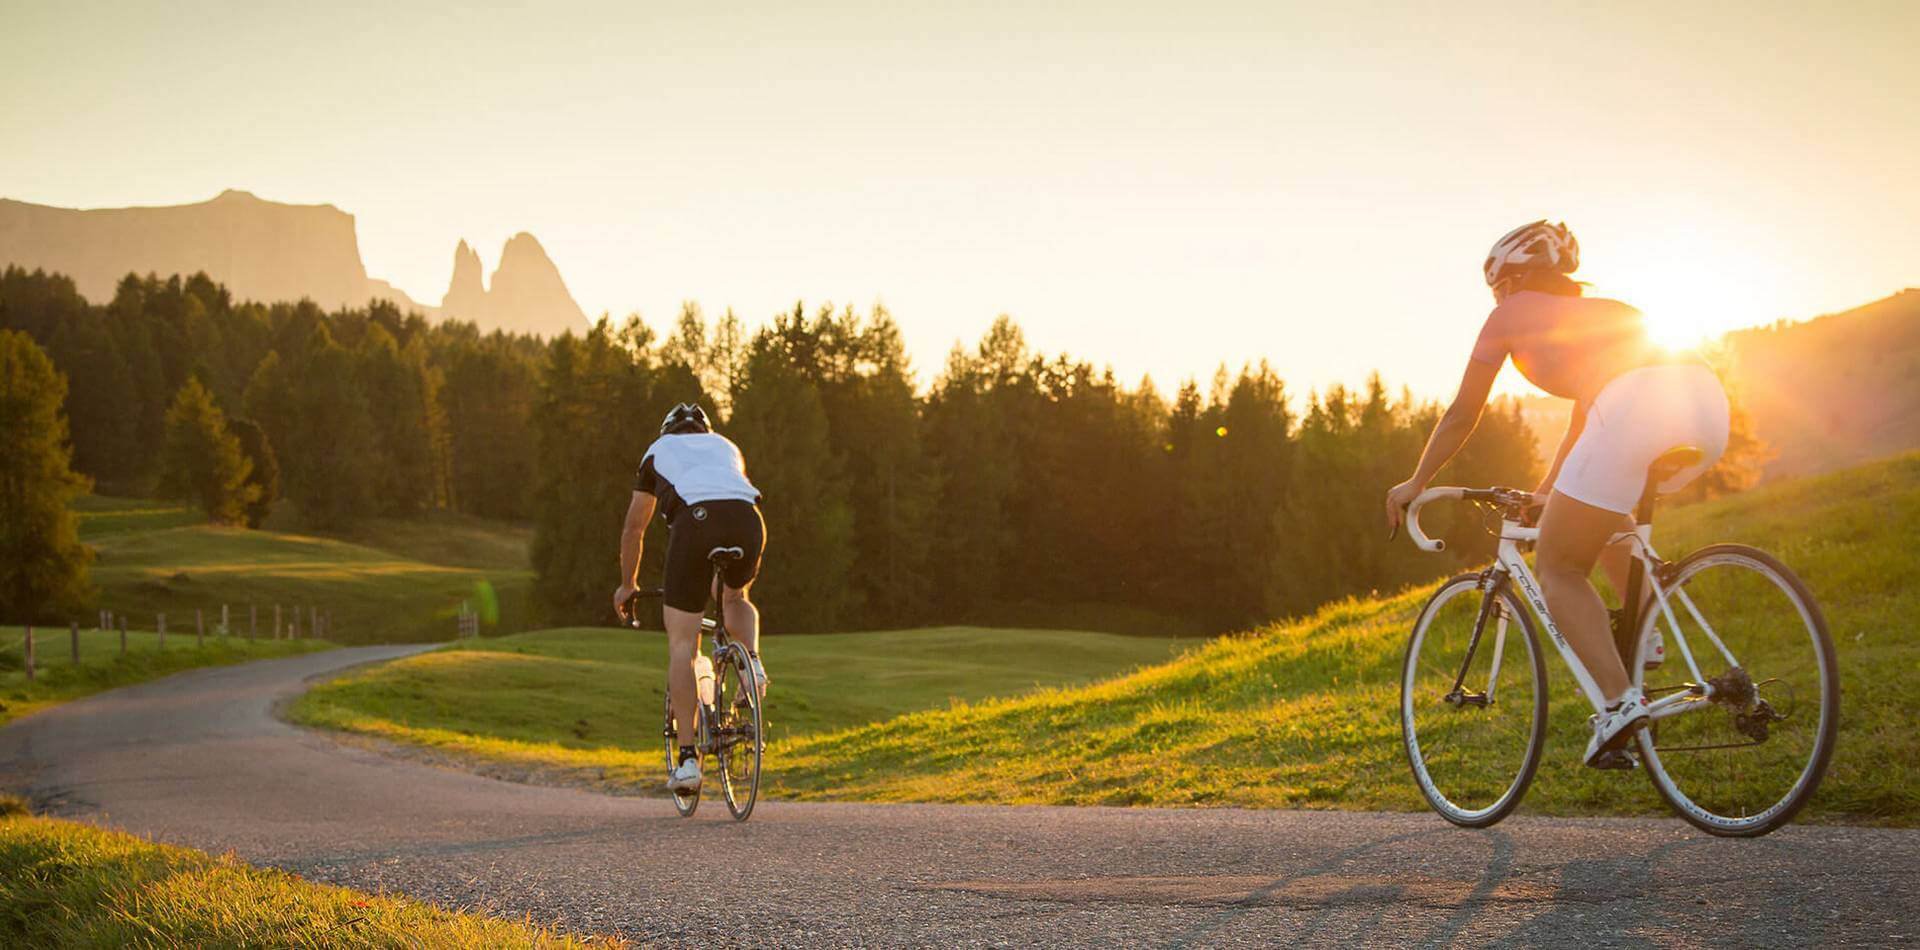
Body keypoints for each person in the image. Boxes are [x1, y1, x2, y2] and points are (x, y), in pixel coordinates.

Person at [1383, 220, 1730, 767]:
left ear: (1514, 279)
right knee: (1605, 518)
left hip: (1634, 406)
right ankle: (1646, 637)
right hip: (1705, 404)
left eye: (1498, 286)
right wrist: (1547, 492)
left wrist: (1416, 480)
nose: (1497, 297)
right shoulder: (1606, 314)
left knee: (1560, 568)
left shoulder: (1509, 314)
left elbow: (1462, 413)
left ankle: (1620, 704)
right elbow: (1584, 425)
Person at [614, 402, 768, 794]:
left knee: (683, 644)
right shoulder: (727, 445)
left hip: (696, 523)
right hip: (749, 520)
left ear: (668, 431)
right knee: (734, 597)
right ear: (705, 431)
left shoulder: (657, 451)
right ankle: (752, 662)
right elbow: (727, 494)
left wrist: (627, 583)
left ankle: (687, 761)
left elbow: (635, 529)